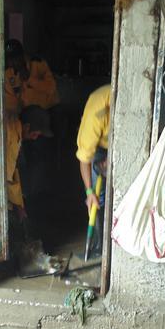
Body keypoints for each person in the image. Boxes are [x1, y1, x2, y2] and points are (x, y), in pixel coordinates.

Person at [4, 39, 59, 237]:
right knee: (21, 166)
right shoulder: (8, 73)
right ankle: (28, 202)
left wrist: (29, 80)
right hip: (22, 123)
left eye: (16, 59)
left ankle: (39, 199)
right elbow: (10, 174)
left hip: (42, 117)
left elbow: (51, 88)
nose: (13, 64)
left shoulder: (37, 65)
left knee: (42, 164)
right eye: (10, 61)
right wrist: (19, 204)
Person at [76, 84, 111, 256]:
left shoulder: (130, 103)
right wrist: (90, 191)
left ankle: (113, 241)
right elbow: (84, 160)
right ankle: (99, 244)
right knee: (98, 198)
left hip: (116, 143)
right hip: (99, 147)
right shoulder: (96, 117)